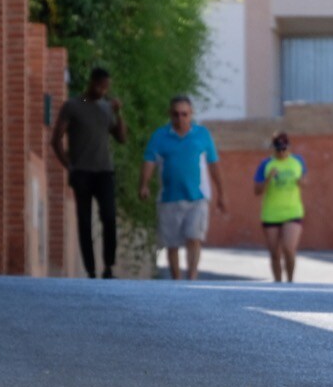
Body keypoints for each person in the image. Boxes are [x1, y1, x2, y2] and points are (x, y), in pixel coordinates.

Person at [139, 95, 227, 280]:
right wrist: (144, 185)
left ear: (191, 114)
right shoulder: (160, 136)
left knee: (194, 238)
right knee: (172, 244)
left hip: (197, 197)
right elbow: (149, 161)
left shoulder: (202, 135)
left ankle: (192, 278)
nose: (180, 118)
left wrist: (221, 194)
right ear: (170, 115)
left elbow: (214, 165)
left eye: (184, 114)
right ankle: (176, 280)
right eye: (176, 114)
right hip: (169, 198)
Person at [50, 67, 127, 278]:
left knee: (109, 217)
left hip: (104, 171)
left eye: (106, 87)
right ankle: (90, 269)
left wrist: (118, 113)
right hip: (82, 172)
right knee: (84, 220)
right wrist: (69, 165)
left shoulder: (106, 108)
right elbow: (56, 140)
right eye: (99, 86)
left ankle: (108, 266)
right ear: (91, 82)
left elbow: (121, 138)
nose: (102, 91)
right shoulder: (75, 105)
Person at [254, 132, 306, 282]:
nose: (282, 152)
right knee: (274, 253)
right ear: (273, 149)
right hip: (271, 213)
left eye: (285, 149)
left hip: (292, 211)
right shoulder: (266, 164)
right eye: (279, 149)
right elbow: (257, 191)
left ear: (289, 147)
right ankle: (278, 283)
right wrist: (268, 178)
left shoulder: (298, 161)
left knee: (289, 249)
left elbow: (306, 181)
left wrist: (301, 182)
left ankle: (290, 281)